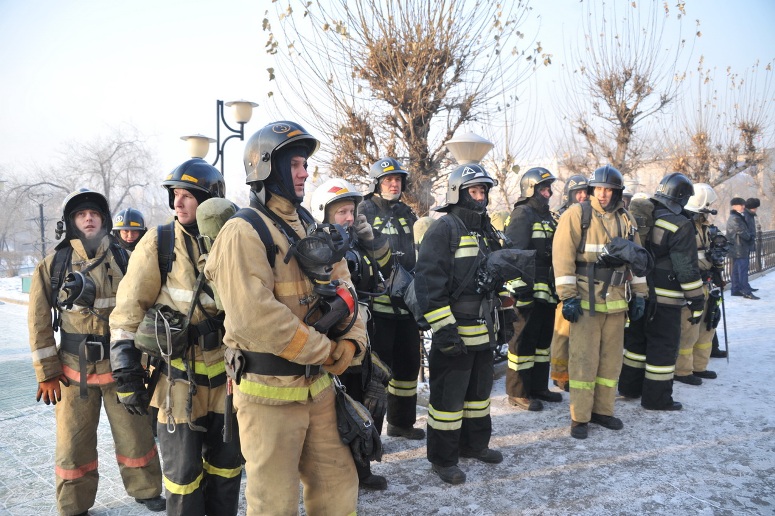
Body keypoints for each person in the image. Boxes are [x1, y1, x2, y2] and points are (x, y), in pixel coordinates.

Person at [204, 121, 368, 515]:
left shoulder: (311, 226)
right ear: (264, 166)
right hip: (268, 396)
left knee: (338, 486)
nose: (303, 172)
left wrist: (352, 342)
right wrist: (325, 350)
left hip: (320, 392)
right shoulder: (242, 231)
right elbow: (252, 317)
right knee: (274, 503)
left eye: (304, 163)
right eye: (294, 163)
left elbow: (348, 290)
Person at [110, 159, 242, 516]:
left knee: (228, 468)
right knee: (183, 477)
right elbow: (128, 308)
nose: (177, 204)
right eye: (175, 196)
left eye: (187, 196)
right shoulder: (160, 241)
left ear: (211, 200)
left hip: (230, 383)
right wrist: (125, 370)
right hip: (177, 384)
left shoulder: (236, 241)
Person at [28, 188, 163, 516]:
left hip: (121, 368)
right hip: (73, 372)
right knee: (73, 444)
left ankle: (146, 489)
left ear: (103, 220)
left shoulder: (124, 259)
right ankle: (74, 503)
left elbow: (144, 309)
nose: (88, 218)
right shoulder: (53, 264)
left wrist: (143, 360)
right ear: (71, 222)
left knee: (136, 436)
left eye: (94, 214)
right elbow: (38, 320)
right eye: (80, 214)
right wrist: (47, 373)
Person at [414, 163, 504, 485]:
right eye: (473, 192)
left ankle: (475, 445)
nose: (479, 198)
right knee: (448, 403)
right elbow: (428, 286)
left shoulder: (486, 231)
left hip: (483, 329)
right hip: (454, 332)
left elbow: (495, 276)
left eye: (483, 192)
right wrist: (445, 330)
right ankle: (443, 459)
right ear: (457, 193)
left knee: (479, 397)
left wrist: (502, 317)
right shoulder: (443, 230)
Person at [553, 165, 648, 439]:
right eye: (598, 189)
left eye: (608, 190)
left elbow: (637, 259)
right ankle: (579, 417)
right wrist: (568, 297)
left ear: (617, 192)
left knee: (610, 362)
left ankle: (603, 411)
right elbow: (562, 258)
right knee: (583, 360)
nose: (603, 195)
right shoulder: (576, 214)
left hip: (617, 301)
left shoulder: (627, 219)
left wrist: (640, 294)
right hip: (585, 301)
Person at [309, 177, 392, 491]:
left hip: (364, 338)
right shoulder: (317, 250)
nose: (348, 218)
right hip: (336, 344)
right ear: (324, 213)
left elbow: (386, 276)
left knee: (367, 404)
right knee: (343, 411)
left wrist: (371, 241)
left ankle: (362, 468)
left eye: (351, 211)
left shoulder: (358, 244)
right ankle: (345, 474)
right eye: (341, 211)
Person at [619, 173, 704, 411]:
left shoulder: (642, 215)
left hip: (638, 292)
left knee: (636, 343)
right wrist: (697, 299)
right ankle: (657, 399)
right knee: (663, 347)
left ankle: (629, 387)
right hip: (665, 299)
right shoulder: (681, 224)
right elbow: (685, 268)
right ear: (682, 197)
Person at [359, 157, 425, 440]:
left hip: (406, 306)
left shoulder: (407, 213)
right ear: (377, 183)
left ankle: (401, 423)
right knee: (378, 373)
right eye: (388, 180)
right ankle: (370, 432)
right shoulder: (365, 209)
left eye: (397, 180)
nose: (394, 184)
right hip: (379, 308)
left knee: (409, 366)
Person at [504, 167, 561, 411]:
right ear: (531, 189)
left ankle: (538, 387)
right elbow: (513, 256)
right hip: (528, 292)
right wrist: (520, 291)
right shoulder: (522, 215)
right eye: (543, 188)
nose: (548, 193)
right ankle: (518, 392)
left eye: (549, 188)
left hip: (547, 292)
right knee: (522, 342)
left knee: (541, 343)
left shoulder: (548, 216)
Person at [674, 183, 723, 385]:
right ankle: (683, 371)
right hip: (690, 285)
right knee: (689, 330)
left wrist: (718, 252)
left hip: (706, 283)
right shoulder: (685, 227)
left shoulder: (705, 227)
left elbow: (710, 250)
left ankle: (699, 366)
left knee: (707, 327)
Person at [550, 174, 588, 392]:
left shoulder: (591, 217)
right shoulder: (561, 216)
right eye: (578, 192)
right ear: (569, 195)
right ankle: (561, 376)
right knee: (563, 333)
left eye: (585, 191)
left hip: (585, 284)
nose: (582, 196)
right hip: (564, 283)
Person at [726, 197, 758, 299]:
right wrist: (750, 237)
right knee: (742, 271)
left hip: (738, 248)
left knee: (736, 270)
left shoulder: (736, 216)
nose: (744, 206)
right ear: (735, 206)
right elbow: (741, 231)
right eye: (742, 205)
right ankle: (746, 291)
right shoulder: (735, 218)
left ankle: (735, 289)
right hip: (739, 247)